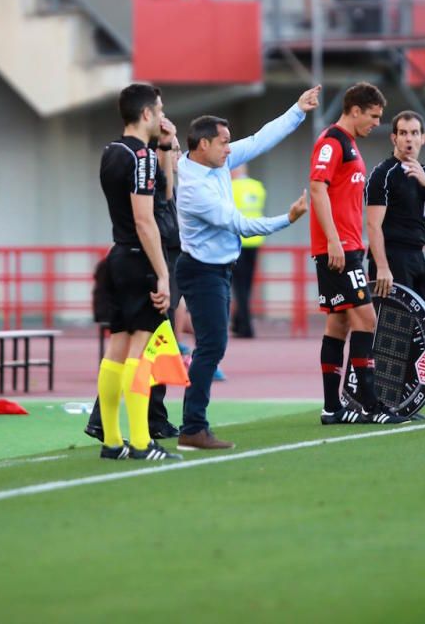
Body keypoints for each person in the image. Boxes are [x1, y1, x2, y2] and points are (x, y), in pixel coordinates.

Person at [175, 87, 317, 449]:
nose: (230, 148)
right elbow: (239, 223)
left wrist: (297, 110)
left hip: (217, 269)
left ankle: (182, 423)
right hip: (201, 270)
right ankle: (192, 427)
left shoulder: (214, 161)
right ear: (203, 145)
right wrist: (288, 218)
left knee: (211, 346)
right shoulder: (194, 188)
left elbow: (260, 139)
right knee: (210, 347)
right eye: (223, 142)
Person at [310, 82, 409, 426]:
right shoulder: (332, 142)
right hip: (340, 251)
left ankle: (331, 408)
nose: (376, 123)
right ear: (354, 110)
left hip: (346, 248)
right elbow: (316, 188)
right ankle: (369, 405)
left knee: (338, 323)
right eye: (374, 116)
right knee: (367, 320)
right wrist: (335, 241)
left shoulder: (349, 144)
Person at [92, 82, 182, 461]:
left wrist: (165, 149)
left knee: (117, 347)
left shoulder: (111, 151)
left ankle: (113, 441)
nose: (162, 116)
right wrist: (162, 274)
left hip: (116, 255)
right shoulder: (140, 157)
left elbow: (163, 195)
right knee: (142, 352)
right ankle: (143, 442)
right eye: (159, 110)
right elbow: (147, 221)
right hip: (139, 258)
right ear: (146, 114)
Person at [365, 110, 425, 304]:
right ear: (394, 138)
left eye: (414, 133)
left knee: (416, 327)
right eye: (403, 133)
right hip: (392, 255)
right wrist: (382, 267)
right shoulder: (384, 174)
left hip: (417, 255)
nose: (409, 139)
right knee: (393, 327)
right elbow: (373, 225)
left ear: (423, 138)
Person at [230, 163, 266, 338]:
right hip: (255, 239)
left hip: (237, 241)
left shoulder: (230, 187)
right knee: (247, 284)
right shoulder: (257, 186)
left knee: (238, 285)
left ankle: (245, 326)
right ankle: (238, 322)